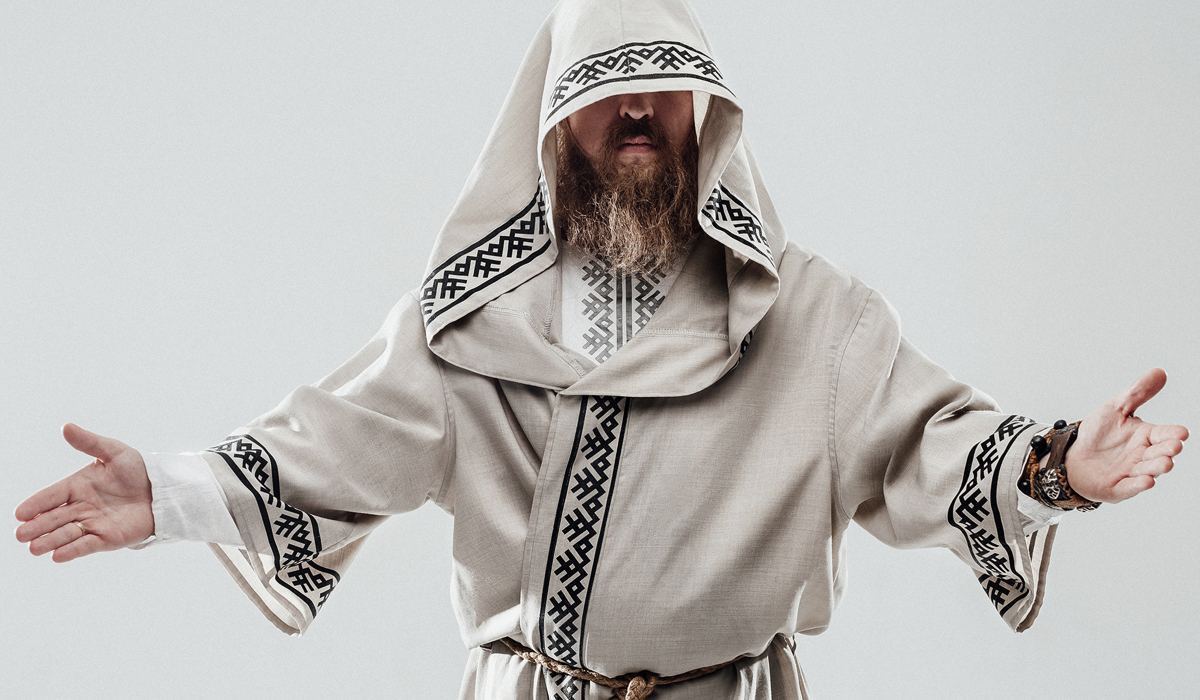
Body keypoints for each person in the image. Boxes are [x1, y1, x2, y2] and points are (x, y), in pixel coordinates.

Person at [13, 0, 1190, 698]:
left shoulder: (811, 316)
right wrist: (171, 493)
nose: (636, 112)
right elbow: (338, 439)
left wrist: (1059, 468)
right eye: (606, 92)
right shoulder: (469, 321)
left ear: (702, 115)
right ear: (552, 125)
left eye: (661, 91)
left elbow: (930, 445)